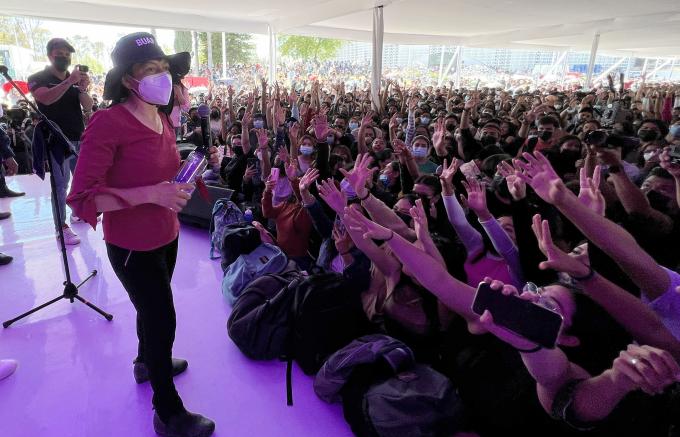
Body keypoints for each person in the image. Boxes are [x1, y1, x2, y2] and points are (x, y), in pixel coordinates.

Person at [66, 33, 217, 437]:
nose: (161, 77)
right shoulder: (107, 122)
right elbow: (83, 198)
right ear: (128, 80)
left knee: (151, 311)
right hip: (132, 244)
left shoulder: (161, 116)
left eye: (164, 69)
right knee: (161, 316)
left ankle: (145, 362)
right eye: (150, 70)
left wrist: (188, 170)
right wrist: (152, 193)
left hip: (166, 233)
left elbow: (155, 170)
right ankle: (167, 412)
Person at [28, 38, 94, 244]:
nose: (64, 57)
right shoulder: (38, 78)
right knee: (60, 184)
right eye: (60, 53)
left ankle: (77, 212)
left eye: (67, 54)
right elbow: (45, 98)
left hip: (78, 136)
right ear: (50, 55)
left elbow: (88, 107)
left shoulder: (73, 81)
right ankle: (61, 227)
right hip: (55, 140)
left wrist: (82, 88)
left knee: (81, 180)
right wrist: (69, 82)